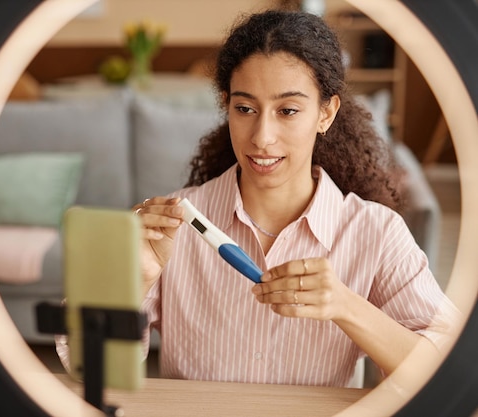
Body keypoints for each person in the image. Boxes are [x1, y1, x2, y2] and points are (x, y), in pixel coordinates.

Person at [128, 9, 460, 387]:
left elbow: (452, 371)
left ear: (326, 113)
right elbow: (84, 366)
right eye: (245, 109)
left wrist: (346, 306)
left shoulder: (377, 232)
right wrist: (134, 279)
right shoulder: (172, 226)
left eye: (287, 110)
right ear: (227, 106)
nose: (262, 137)